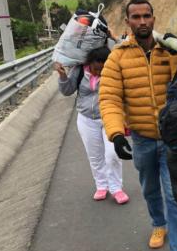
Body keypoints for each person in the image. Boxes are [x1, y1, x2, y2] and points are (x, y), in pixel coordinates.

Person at [98, 0, 177, 251]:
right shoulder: (117, 57)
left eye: (146, 16)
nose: (142, 21)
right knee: (150, 190)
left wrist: (176, 52)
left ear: (154, 18)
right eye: (136, 17)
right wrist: (116, 133)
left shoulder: (169, 50)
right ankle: (159, 223)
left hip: (172, 139)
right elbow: (109, 98)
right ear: (128, 21)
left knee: (175, 198)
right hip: (142, 139)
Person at [55, 47, 129, 204]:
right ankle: (102, 186)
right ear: (89, 64)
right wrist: (62, 76)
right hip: (87, 119)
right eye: (96, 69)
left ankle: (116, 188)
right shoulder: (79, 71)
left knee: (112, 154)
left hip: (110, 118)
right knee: (95, 156)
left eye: (103, 70)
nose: (99, 73)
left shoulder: (114, 71)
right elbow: (67, 91)